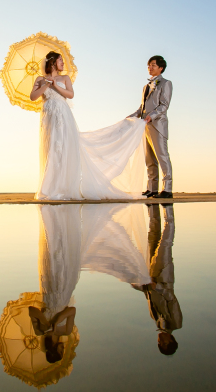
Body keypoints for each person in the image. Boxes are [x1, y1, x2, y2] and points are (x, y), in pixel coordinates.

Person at [30, 51, 147, 200]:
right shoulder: (40, 79)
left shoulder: (65, 78)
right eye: (60, 60)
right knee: (51, 148)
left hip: (63, 116)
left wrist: (55, 85)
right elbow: (33, 97)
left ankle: (64, 187)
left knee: (64, 147)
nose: (62, 63)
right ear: (52, 62)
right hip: (48, 117)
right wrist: (46, 85)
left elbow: (70, 95)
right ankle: (49, 187)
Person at [132, 203, 182, 356]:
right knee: (166, 240)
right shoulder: (176, 323)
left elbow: (148, 294)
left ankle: (153, 207)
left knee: (152, 234)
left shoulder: (155, 319)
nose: (160, 340)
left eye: (159, 344)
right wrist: (157, 286)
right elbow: (171, 299)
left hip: (150, 275)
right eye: (165, 343)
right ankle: (168, 207)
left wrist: (135, 284)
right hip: (163, 275)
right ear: (172, 340)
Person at [129, 55, 173, 199]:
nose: (150, 67)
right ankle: (152, 188)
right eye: (149, 65)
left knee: (162, 156)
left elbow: (164, 105)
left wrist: (151, 116)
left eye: (153, 65)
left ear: (161, 68)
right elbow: (142, 107)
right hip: (145, 126)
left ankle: (167, 188)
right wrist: (133, 116)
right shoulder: (145, 87)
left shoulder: (166, 83)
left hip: (158, 125)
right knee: (149, 159)